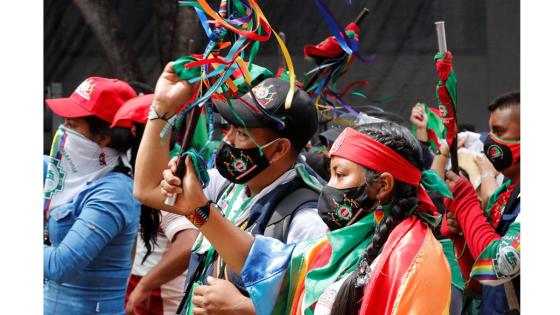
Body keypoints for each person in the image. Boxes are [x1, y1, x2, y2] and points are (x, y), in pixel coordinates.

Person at [161, 122, 452, 314]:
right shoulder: (345, 243)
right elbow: (265, 264)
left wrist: (241, 306)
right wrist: (198, 208)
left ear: (383, 186)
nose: (329, 187)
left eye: (340, 175)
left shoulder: (414, 260)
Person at [133, 62, 328, 314]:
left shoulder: (307, 218)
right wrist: (162, 108)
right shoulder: (227, 186)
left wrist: (245, 308)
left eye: (242, 133)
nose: (227, 140)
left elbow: (314, 305)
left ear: (279, 149)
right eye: (230, 128)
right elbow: (147, 189)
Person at [43, 77, 141, 314]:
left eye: (72, 126)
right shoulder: (64, 176)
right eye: (64, 123)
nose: (62, 132)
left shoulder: (114, 193)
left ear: (102, 138)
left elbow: (61, 266)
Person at [109, 93, 199, 315]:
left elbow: (189, 240)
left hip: (162, 297)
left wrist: (146, 284)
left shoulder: (171, 179)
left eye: (130, 132)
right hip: (148, 290)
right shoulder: (138, 178)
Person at [443, 91, 520, 314]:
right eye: (491, 130)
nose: (489, 141)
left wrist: (467, 204)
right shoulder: (504, 195)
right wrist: (462, 235)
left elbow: (501, 265)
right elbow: (479, 282)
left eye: (499, 131)